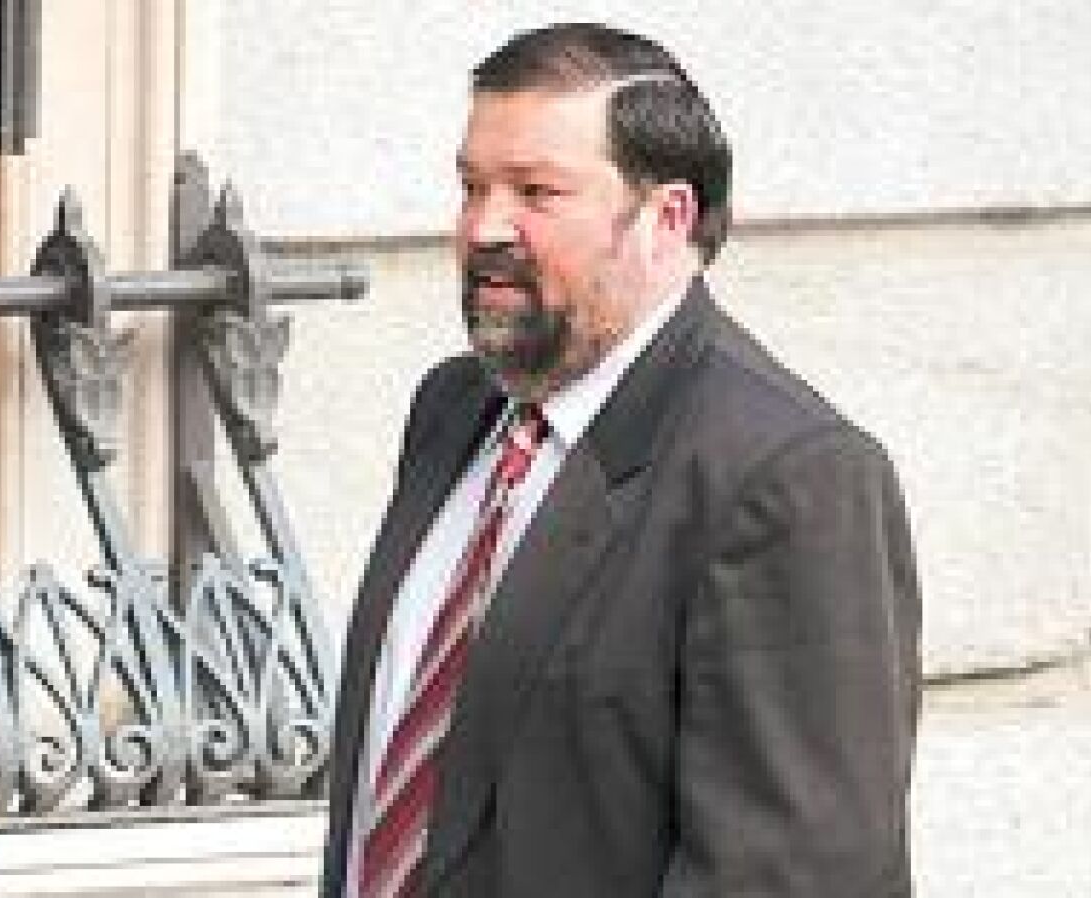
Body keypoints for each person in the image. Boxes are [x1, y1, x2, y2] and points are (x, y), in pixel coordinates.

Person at [323, 22, 921, 897]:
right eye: (472, 186)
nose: (485, 226)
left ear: (666, 219)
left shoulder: (789, 479)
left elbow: (795, 876)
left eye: (536, 192)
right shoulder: (452, 412)